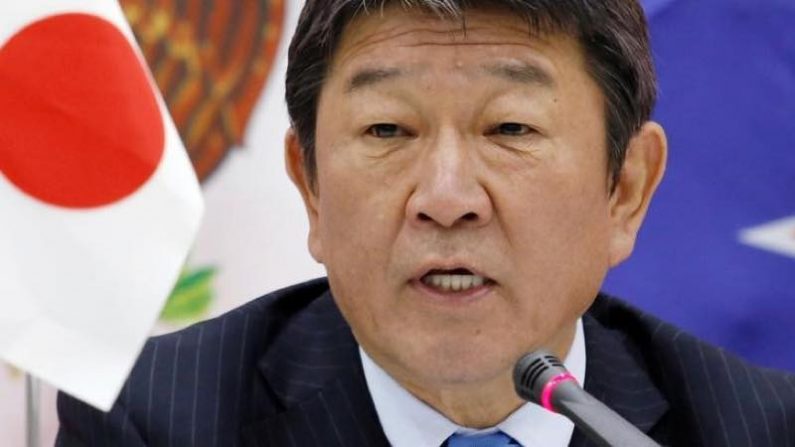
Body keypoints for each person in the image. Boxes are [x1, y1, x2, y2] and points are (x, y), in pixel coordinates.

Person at [56, 1, 795, 446]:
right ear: (310, 187)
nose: (445, 198)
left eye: (509, 128)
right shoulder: (157, 423)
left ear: (625, 190)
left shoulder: (752, 428)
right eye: (387, 130)